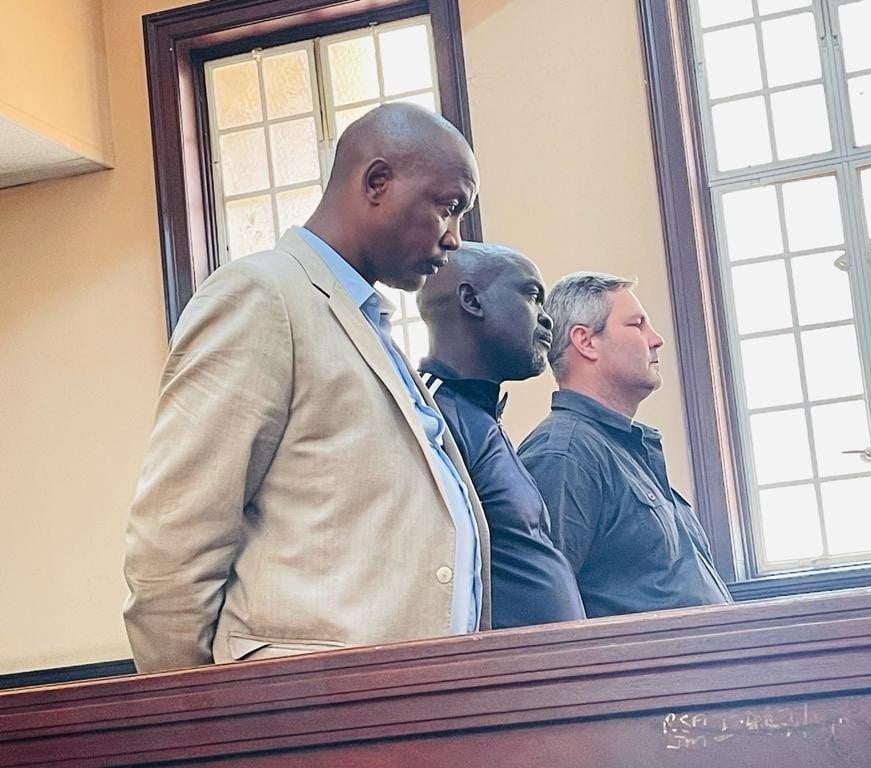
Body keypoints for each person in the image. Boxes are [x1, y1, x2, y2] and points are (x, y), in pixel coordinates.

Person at [123, 104, 491, 674]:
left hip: (413, 708)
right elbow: (172, 547)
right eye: (449, 207)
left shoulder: (368, 320)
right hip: (305, 719)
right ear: (377, 183)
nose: (453, 238)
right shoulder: (260, 295)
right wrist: (198, 728)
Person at [518, 272, 732, 619]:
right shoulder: (564, 456)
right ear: (586, 342)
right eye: (637, 325)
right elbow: (543, 615)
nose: (656, 339)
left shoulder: (623, 452)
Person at [416, 244, 586, 629]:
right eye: (531, 295)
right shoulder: (429, 417)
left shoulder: (480, 416)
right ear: (471, 300)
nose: (547, 321)